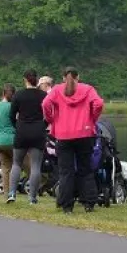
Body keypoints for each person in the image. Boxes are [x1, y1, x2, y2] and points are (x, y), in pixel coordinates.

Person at [42, 67, 104, 214]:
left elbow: (45, 104)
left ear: (64, 78)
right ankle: (89, 202)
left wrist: (51, 119)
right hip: (85, 133)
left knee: (66, 172)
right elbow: (99, 104)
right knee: (85, 169)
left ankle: (66, 205)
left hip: (63, 135)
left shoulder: (57, 90)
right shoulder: (88, 89)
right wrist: (92, 118)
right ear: (78, 77)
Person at [7, 69, 49, 204]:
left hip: (22, 130)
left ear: (25, 79)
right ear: (36, 79)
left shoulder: (18, 95)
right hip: (38, 131)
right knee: (35, 165)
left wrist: (17, 126)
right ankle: (32, 197)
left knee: (16, 163)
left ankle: (12, 193)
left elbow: (11, 115)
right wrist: (43, 125)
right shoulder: (44, 95)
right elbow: (49, 115)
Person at [0, 83, 29, 198]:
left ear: (3, 93)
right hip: (11, 140)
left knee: (6, 168)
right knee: (28, 164)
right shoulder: (13, 107)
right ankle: (38, 185)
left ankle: (7, 193)